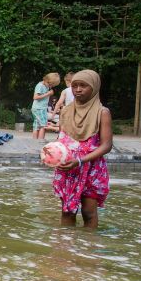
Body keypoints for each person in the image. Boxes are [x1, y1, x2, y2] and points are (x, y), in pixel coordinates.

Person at [52, 69, 112, 228]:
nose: (78, 90)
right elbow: (61, 139)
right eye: (74, 86)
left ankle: (88, 248)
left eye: (83, 86)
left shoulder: (102, 112)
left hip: (91, 167)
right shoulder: (65, 111)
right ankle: (65, 249)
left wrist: (80, 160)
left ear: (94, 87)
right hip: (68, 168)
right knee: (67, 211)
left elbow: (106, 145)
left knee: (88, 212)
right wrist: (52, 153)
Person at [32, 72, 59, 140]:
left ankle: (34, 141)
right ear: (48, 81)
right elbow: (35, 97)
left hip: (40, 108)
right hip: (39, 108)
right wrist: (48, 94)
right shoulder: (40, 85)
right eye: (51, 85)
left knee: (37, 125)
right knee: (43, 125)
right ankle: (41, 141)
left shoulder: (45, 86)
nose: (51, 87)